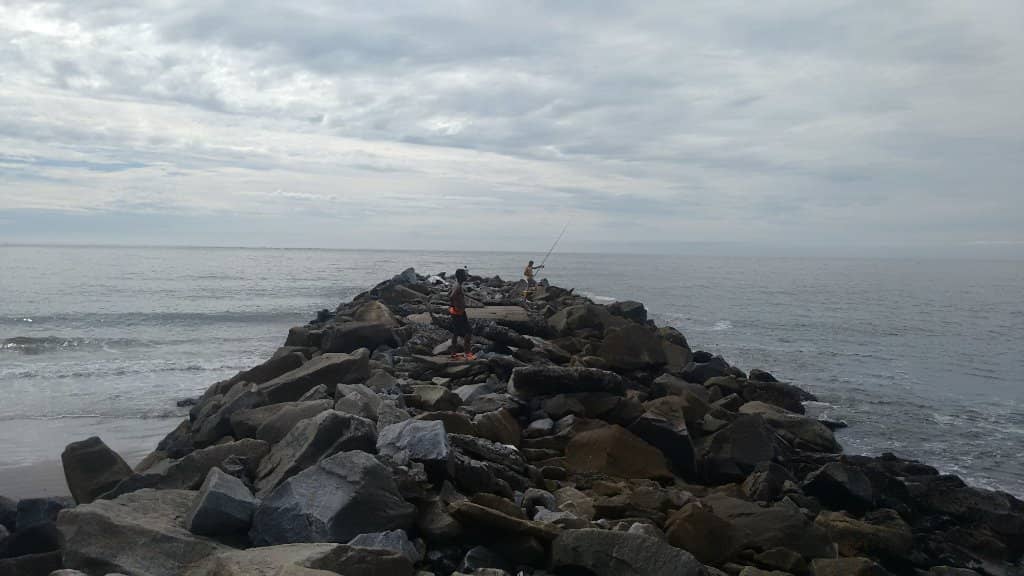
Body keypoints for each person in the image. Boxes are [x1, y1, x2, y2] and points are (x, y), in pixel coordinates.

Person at [449, 268, 473, 360]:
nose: (466, 276)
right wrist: (456, 306)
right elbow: (452, 296)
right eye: (465, 275)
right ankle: (467, 353)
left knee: (456, 333)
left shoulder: (456, 284)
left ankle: (453, 353)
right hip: (459, 313)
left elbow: (450, 295)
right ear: (461, 276)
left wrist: (454, 306)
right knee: (468, 332)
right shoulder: (458, 286)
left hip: (457, 312)